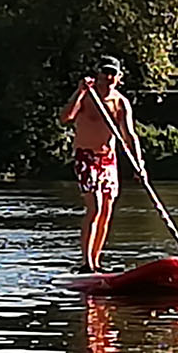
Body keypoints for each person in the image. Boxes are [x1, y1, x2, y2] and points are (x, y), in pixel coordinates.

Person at [59, 55, 143, 273]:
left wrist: (139, 164)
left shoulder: (120, 102)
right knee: (94, 208)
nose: (108, 77)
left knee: (106, 211)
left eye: (112, 73)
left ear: (119, 77)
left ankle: (96, 262)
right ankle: (86, 263)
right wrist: (80, 92)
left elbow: (130, 135)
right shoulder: (87, 97)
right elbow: (65, 117)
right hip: (86, 157)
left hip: (108, 160)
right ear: (96, 75)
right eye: (104, 73)